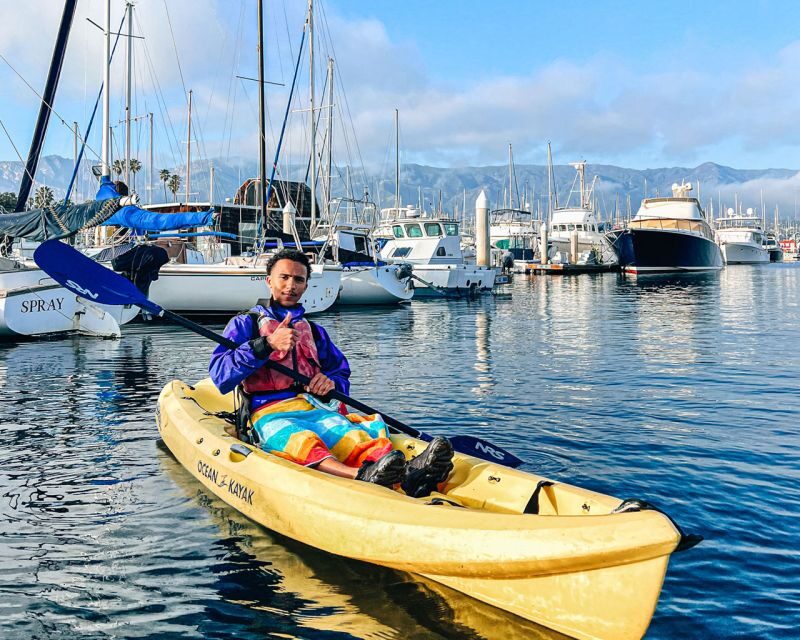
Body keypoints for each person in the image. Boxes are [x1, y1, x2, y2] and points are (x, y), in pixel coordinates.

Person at [209, 248, 453, 497]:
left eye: (299, 279)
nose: (290, 285)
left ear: (306, 286)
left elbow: (339, 372)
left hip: (314, 408)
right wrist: (266, 345)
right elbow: (220, 375)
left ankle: (410, 475)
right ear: (269, 281)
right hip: (268, 412)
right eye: (284, 277)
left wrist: (330, 384)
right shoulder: (245, 324)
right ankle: (361, 475)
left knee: (351, 434)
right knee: (300, 440)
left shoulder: (314, 332)